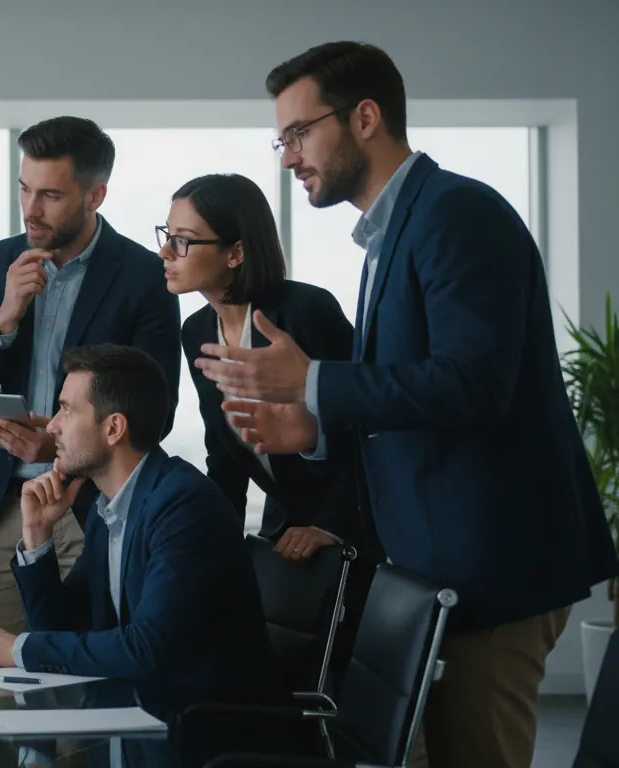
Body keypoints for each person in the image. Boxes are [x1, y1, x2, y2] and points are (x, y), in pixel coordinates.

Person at [195, 41, 619, 768]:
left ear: (365, 118)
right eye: (281, 139)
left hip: (491, 566)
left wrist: (314, 381)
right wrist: (313, 428)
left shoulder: (457, 213)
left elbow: (473, 385)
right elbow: (412, 395)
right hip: (438, 568)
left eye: (299, 133)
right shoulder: (392, 234)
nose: (288, 157)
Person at [0, 116, 183, 637]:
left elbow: (156, 410)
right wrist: (4, 318)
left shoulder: (144, 276)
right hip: (10, 506)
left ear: (95, 195)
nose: (31, 209)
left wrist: (58, 450)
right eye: (25, 189)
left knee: (90, 666)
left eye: (51, 195)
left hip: (96, 506)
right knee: (1, 667)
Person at [0, 344, 278, 719]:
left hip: (198, 729)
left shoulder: (183, 506)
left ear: (113, 428)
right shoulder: (109, 507)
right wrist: (37, 535)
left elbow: (149, 649)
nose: (51, 427)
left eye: (66, 410)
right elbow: (60, 629)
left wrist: (18, 650)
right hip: (131, 718)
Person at [167, 172, 363, 560]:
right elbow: (223, 455)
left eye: (182, 240)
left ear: (235, 253)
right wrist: (215, 545)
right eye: (167, 235)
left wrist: (332, 525)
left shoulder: (306, 311)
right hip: (283, 527)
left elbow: (366, 430)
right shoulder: (197, 330)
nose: (164, 252)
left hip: (351, 525)